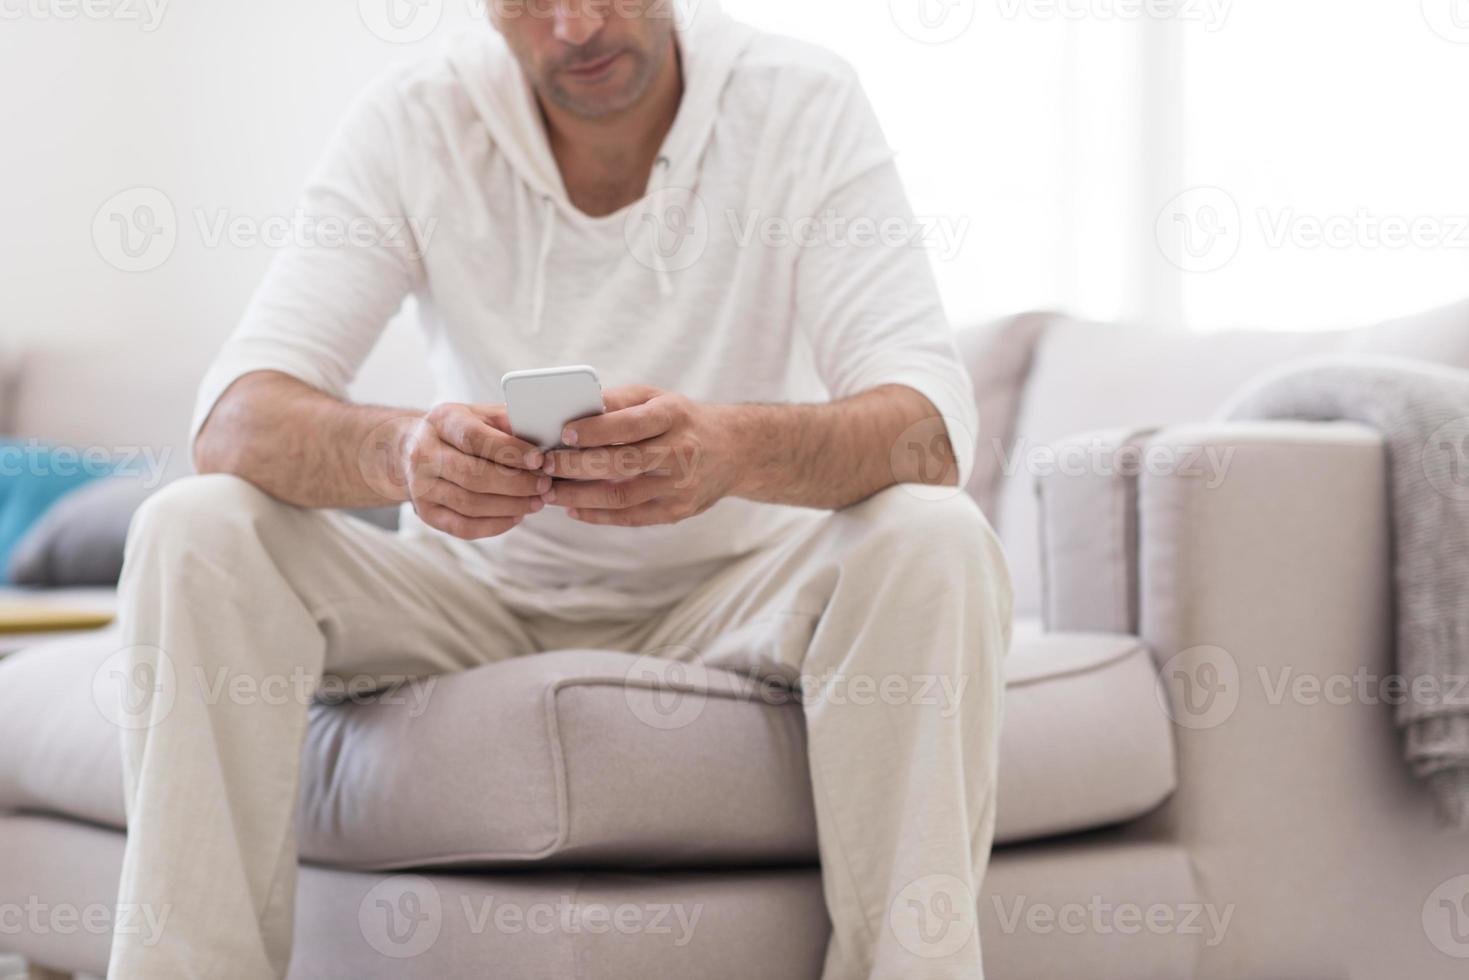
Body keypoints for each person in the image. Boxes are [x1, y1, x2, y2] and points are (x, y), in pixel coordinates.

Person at [107, 1, 1013, 977]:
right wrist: (404, 451)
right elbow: (232, 419)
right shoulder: (415, 118)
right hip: (470, 596)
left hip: (734, 593)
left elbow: (927, 429)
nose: (575, 26)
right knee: (193, 524)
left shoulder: (800, 100)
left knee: (934, 529)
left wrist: (728, 448)